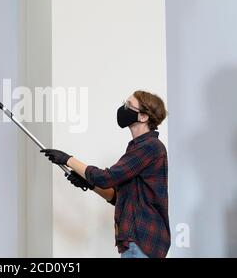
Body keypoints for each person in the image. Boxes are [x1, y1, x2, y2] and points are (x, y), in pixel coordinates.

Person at [41, 90, 171, 258]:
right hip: (136, 243)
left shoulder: (150, 147)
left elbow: (106, 178)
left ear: (143, 116)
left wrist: (68, 159)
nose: (123, 108)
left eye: (128, 105)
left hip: (142, 241)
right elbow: (117, 197)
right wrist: (89, 184)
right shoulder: (139, 148)